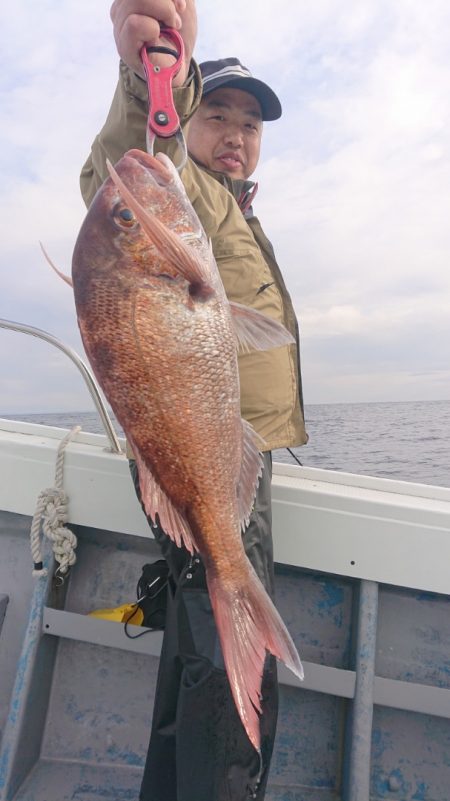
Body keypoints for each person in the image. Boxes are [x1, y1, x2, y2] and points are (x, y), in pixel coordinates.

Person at [80, 2, 308, 799]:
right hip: (203, 445)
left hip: (219, 444)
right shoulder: (187, 193)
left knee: (195, 640)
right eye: (219, 113)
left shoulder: (237, 212)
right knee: (223, 655)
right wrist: (151, 81)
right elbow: (124, 163)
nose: (236, 135)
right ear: (191, 120)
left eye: (250, 123)